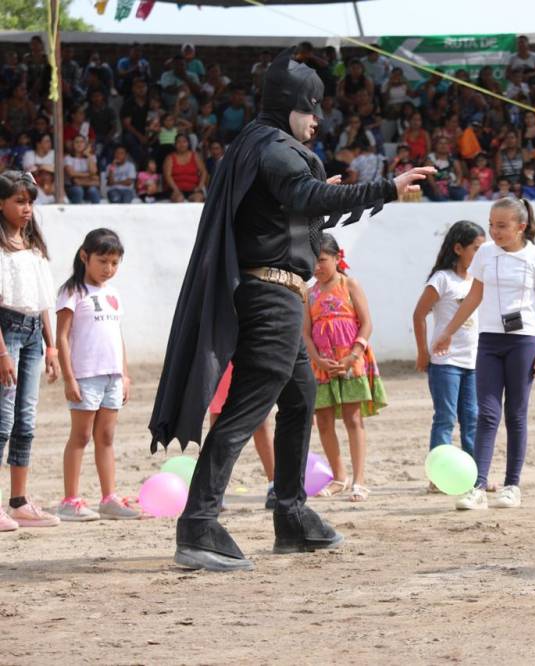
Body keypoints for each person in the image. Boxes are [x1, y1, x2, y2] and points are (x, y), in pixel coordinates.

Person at [148, 48, 433, 571]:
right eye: (312, 108)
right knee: (248, 406)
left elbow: (290, 217)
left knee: (300, 398)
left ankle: (291, 514)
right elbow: (303, 195)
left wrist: (326, 198)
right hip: (272, 299)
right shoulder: (277, 148)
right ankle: (199, 523)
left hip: (272, 294)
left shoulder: (256, 144)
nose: (317, 119)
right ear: (290, 106)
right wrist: (386, 188)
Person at [433, 198, 535, 511]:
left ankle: (512, 485)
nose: (495, 231)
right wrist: (448, 331)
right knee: (487, 413)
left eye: (502, 226)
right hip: (488, 341)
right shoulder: (485, 254)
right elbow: (474, 296)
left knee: (516, 413)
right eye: (492, 224)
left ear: (521, 226)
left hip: (523, 342)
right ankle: (477, 487)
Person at [54, 229, 141, 522]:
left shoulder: (113, 294)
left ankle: (109, 498)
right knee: (80, 436)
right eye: (102, 261)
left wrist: (124, 375)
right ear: (84, 256)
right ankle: (70, 500)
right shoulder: (72, 292)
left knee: (106, 437)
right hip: (85, 376)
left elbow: (118, 336)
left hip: (112, 377)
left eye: (114, 263)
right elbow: (62, 337)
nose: (108, 268)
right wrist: (69, 378)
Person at [304, 236, 386, 503]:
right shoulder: (308, 293)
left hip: (351, 361)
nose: (317, 267)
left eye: (322, 260)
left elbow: (366, 323)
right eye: (313, 261)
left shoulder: (349, 284)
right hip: (322, 366)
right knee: (324, 421)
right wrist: (317, 360)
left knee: (353, 418)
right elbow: (305, 334)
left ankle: (359, 480)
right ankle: (340, 477)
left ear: (337, 258)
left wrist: (353, 355)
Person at [0, 171, 60, 532]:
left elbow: (42, 301)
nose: (27, 209)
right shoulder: (1, 247)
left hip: (34, 333)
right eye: (19, 201)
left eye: (30, 202)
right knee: (2, 420)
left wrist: (51, 345)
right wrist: (2, 353)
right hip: (7, 332)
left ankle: (19, 501)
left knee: (25, 419)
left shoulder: (33, 244)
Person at [413, 221, 487, 482]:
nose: (480, 254)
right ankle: (438, 476)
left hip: (472, 362)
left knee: (472, 418)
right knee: (445, 418)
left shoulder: (478, 282)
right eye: (476, 249)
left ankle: (476, 476)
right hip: (445, 362)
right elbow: (419, 315)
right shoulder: (442, 279)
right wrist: (423, 352)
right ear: (458, 249)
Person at [208, 362, 276, 509]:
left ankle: (275, 485)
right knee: (219, 416)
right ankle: (214, 490)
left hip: (252, 356)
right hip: (221, 357)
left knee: (260, 418)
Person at [164, 135, 207, 203]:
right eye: (179, 142)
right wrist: (176, 189)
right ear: (175, 144)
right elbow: (167, 176)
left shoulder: (195, 156)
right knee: (179, 199)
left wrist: (199, 186)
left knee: (198, 199)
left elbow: (203, 172)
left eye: (184, 142)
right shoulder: (170, 158)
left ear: (188, 143)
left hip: (193, 190)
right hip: (175, 190)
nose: (181, 144)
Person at [64, 135, 101, 204]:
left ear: (86, 144)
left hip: (88, 187)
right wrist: (90, 175)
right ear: (73, 144)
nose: (79, 144)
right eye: (77, 142)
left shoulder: (91, 157)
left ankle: (97, 209)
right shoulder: (68, 158)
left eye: (82, 142)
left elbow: (94, 171)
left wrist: (88, 154)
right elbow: (72, 174)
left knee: (93, 190)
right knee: (78, 190)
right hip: (72, 187)